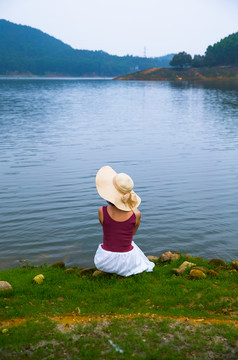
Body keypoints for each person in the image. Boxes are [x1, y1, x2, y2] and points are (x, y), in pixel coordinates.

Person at [94, 165, 155, 277]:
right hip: (127, 263)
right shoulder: (136, 214)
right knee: (132, 244)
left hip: (104, 261)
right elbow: (132, 233)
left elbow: (107, 228)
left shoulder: (102, 211)